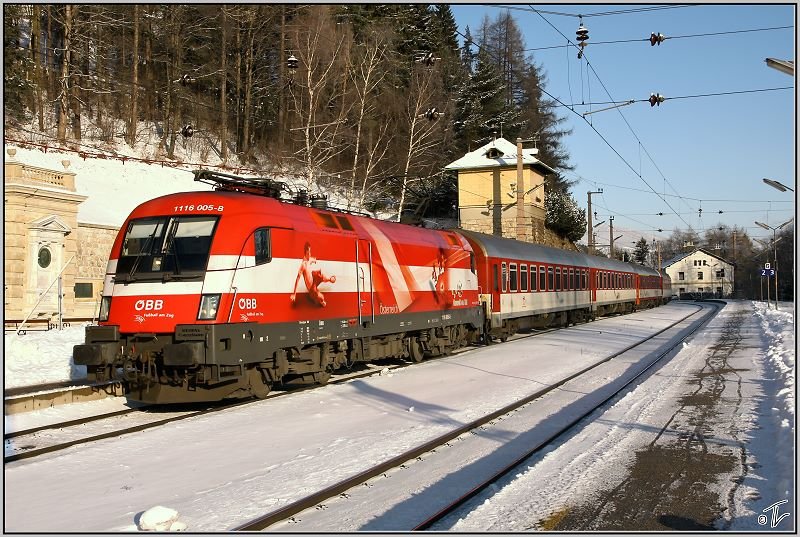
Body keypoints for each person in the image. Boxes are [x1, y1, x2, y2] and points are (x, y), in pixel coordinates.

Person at [290, 241, 336, 307]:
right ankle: (318, 299)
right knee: (322, 297)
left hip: (314, 279)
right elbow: (297, 279)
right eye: (308, 253)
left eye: (310, 252)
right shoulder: (303, 265)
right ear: (305, 252)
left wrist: (314, 260)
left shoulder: (310, 259)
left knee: (320, 274)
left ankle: (329, 279)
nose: (310, 254)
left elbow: (314, 259)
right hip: (311, 288)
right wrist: (294, 294)